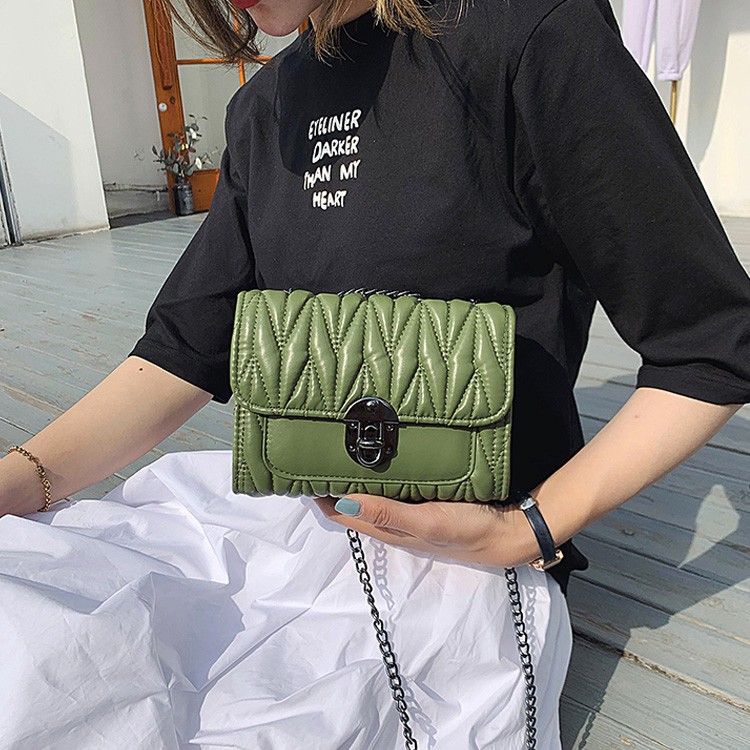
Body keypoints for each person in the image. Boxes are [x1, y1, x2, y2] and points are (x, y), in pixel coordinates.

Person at [1, 0, 749, 748]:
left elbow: (710, 342)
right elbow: (185, 347)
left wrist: (526, 530)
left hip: (457, 569)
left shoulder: (525, 33)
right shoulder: (265, 106)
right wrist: (20, 480)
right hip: (278, 525)